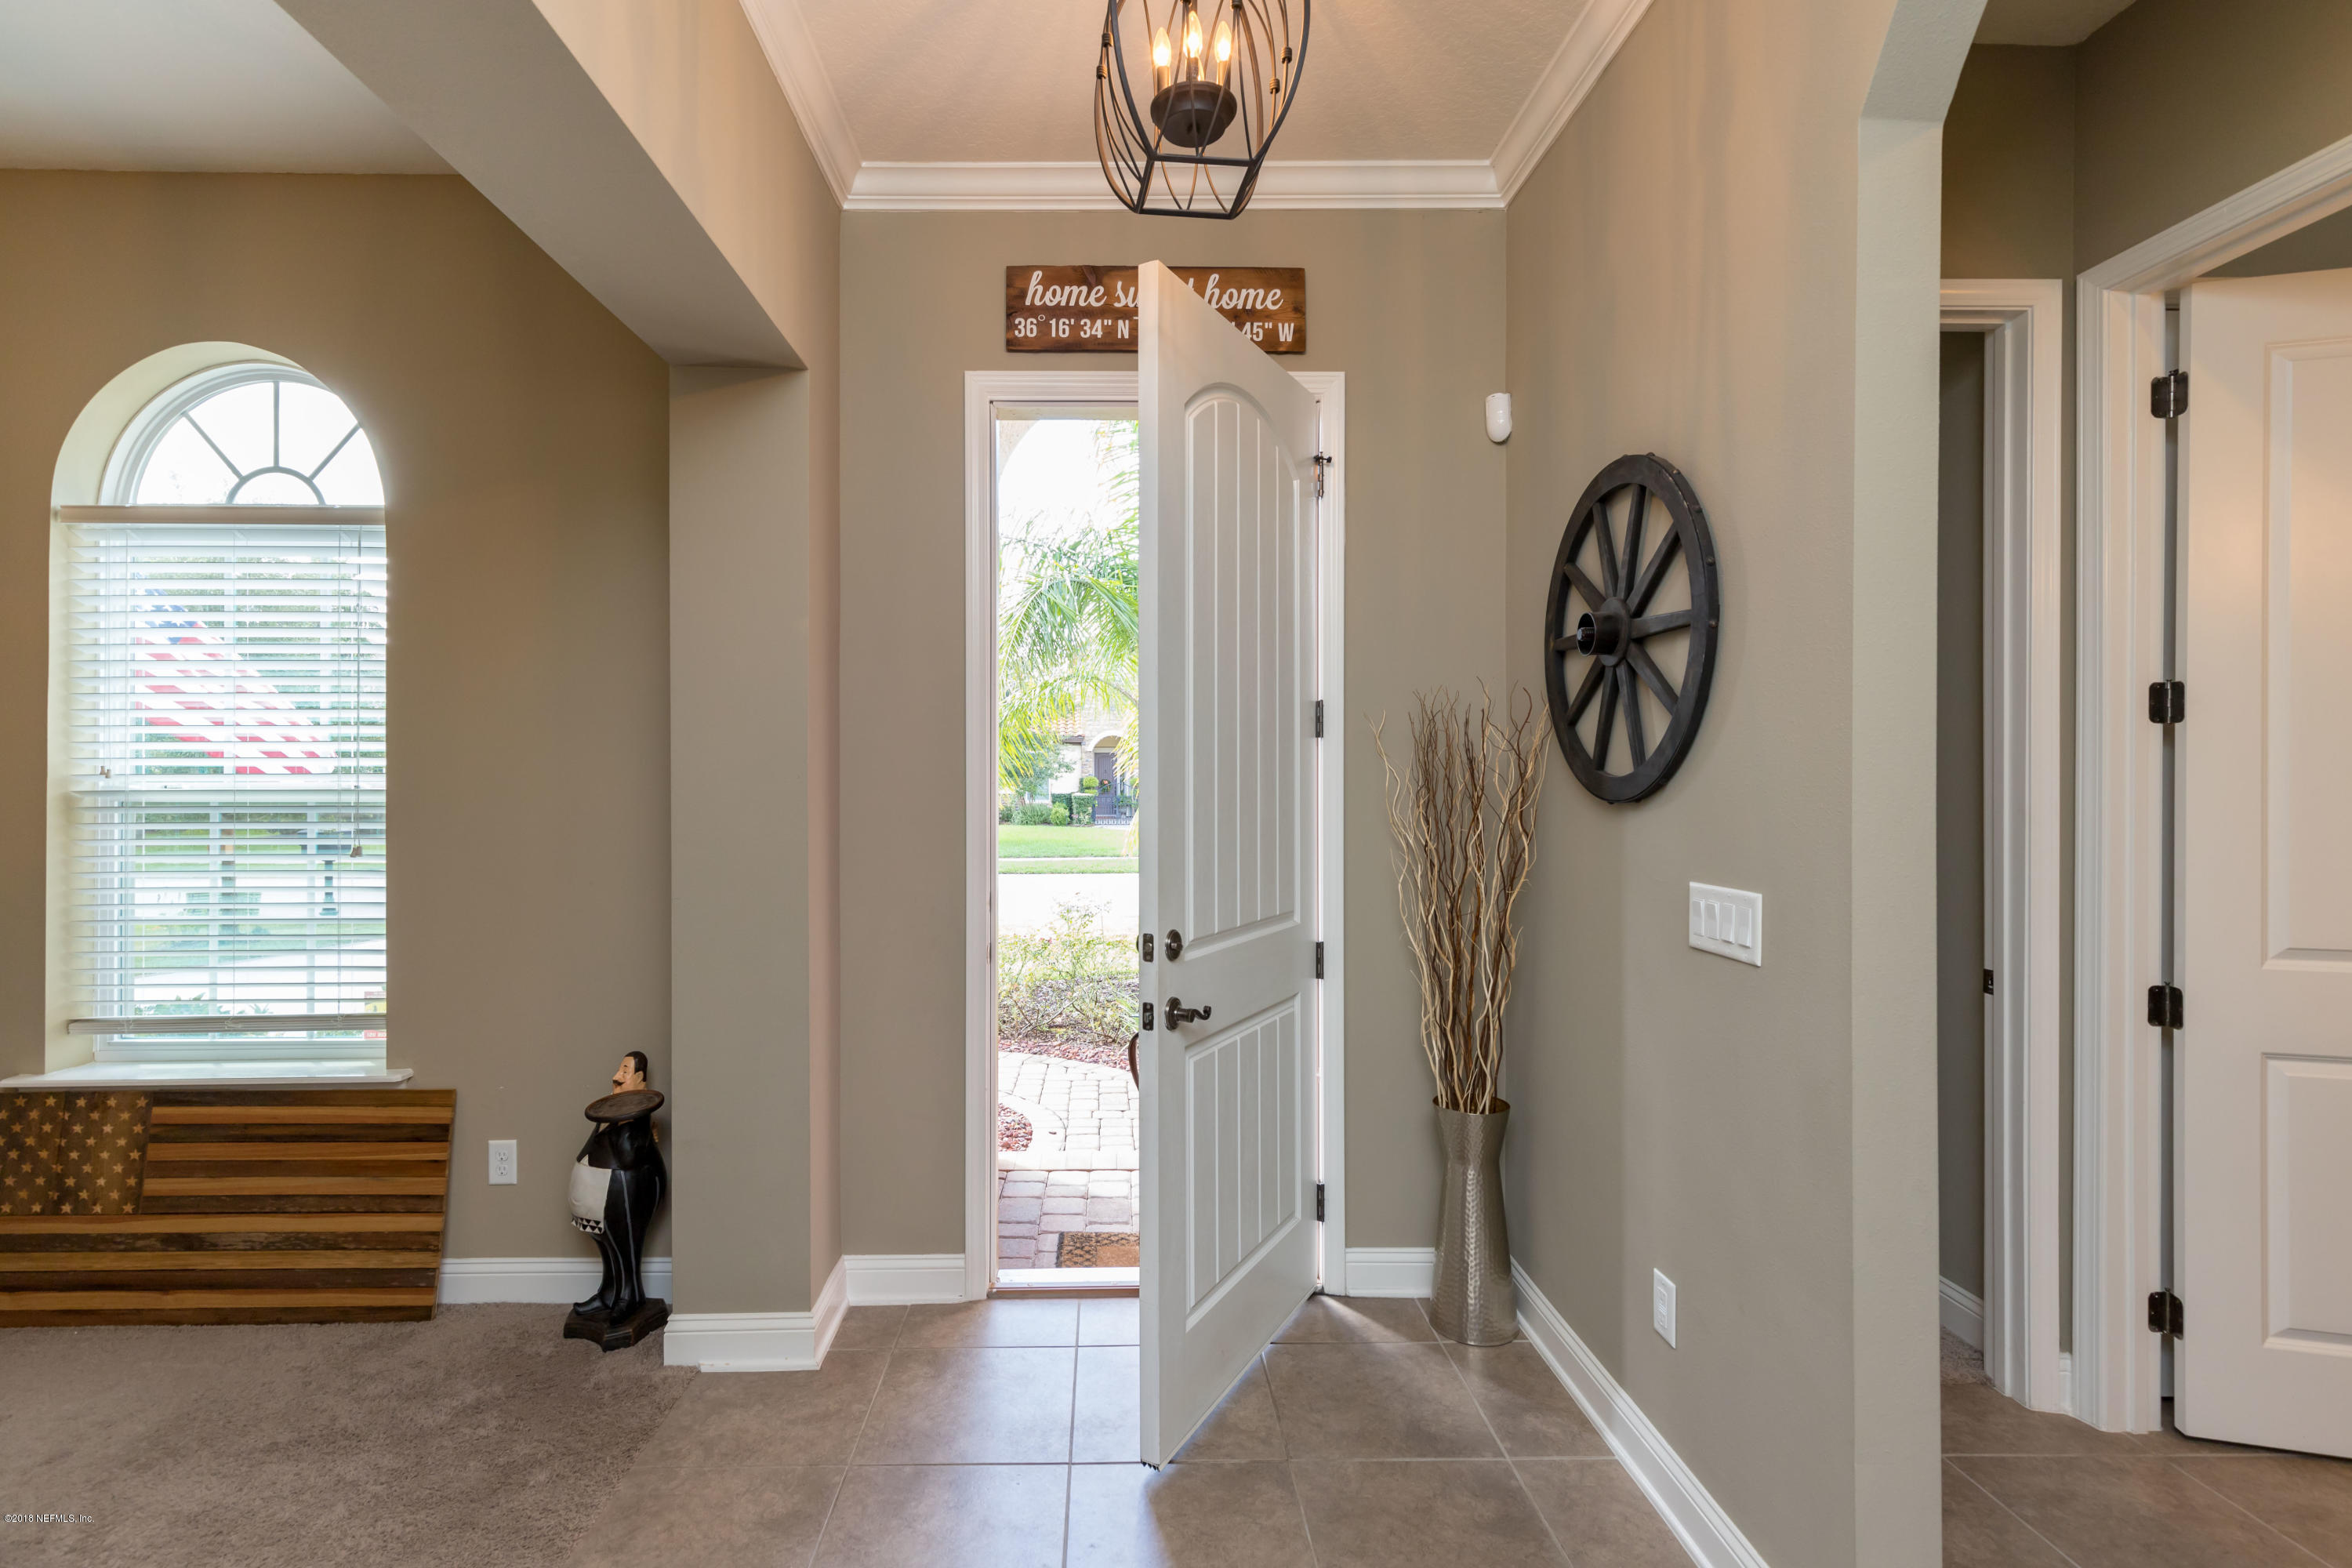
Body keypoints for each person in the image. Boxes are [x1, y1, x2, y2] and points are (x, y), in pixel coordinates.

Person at [565, 1052, 668, 1348]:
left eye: (625, 1070)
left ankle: (630, 1297)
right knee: (607, 1247)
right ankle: (609, 1294)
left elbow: (629, 1156)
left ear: (640, 1079)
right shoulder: (608, 1117)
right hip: (599, 1202)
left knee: (624, 1247)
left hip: (624, 1196)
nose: (618, 1075)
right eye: (619, 1068)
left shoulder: (636, 1118)